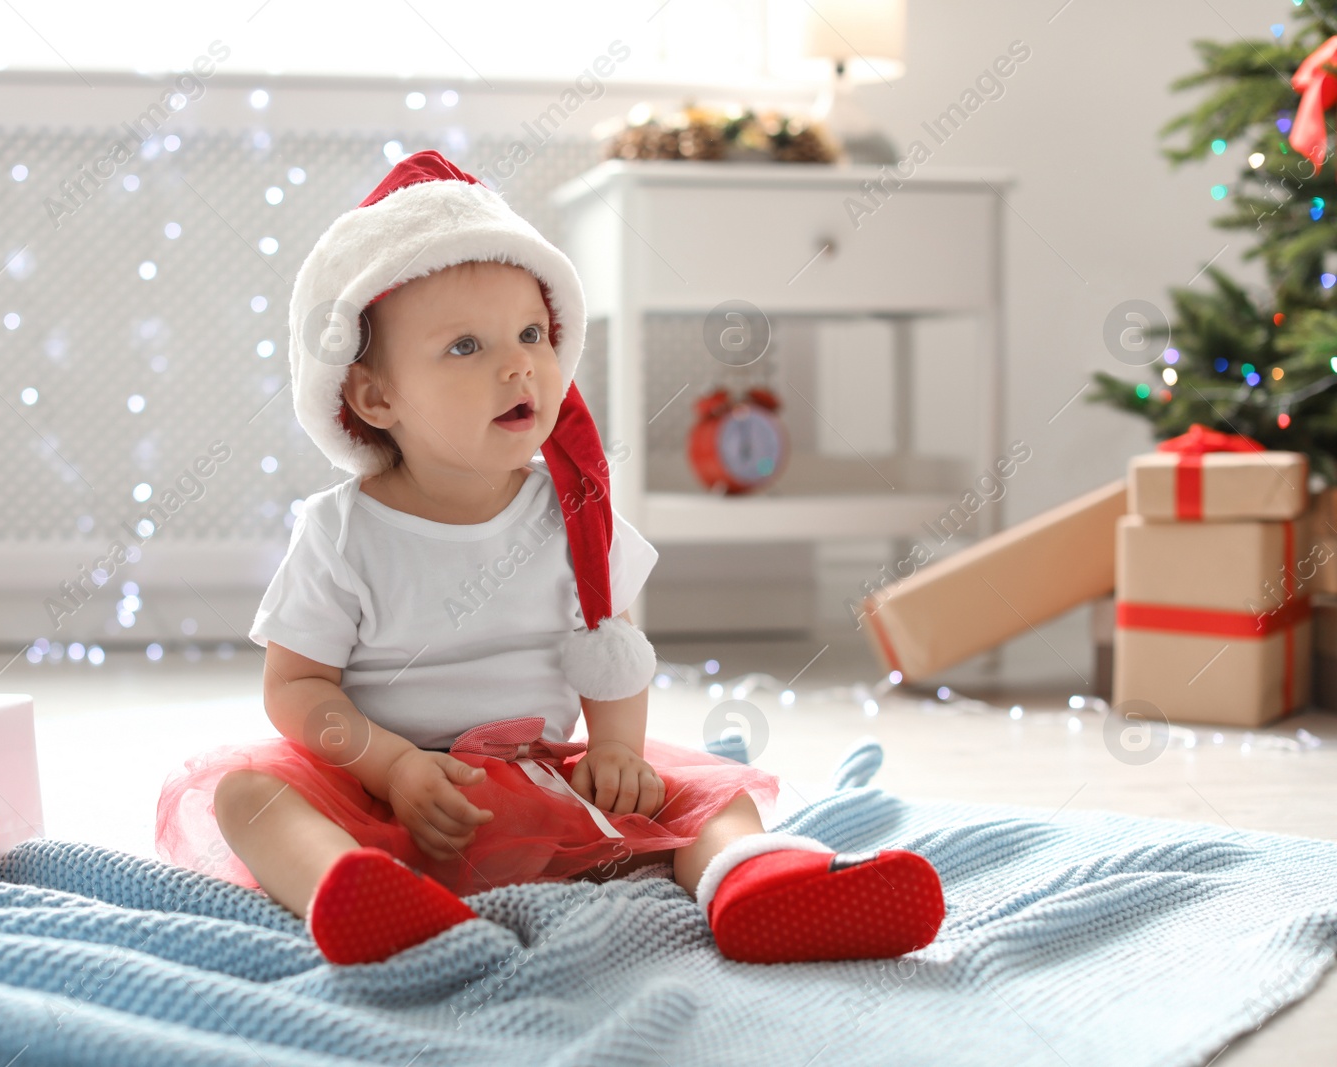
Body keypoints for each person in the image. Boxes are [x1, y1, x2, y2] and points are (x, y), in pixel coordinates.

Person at [155, 150, 945, 966]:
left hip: (541, 776)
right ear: (376, 398)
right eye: (466, 345)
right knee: (249, 794)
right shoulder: (342, 532)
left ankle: (755, 884)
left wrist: (615, 750)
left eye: (532, 333)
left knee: (713, 791)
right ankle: (356, 892)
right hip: (383, 790)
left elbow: (614, 645)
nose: (517, 363)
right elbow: (295, 686)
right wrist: (391, 767)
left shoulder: (572, 511)